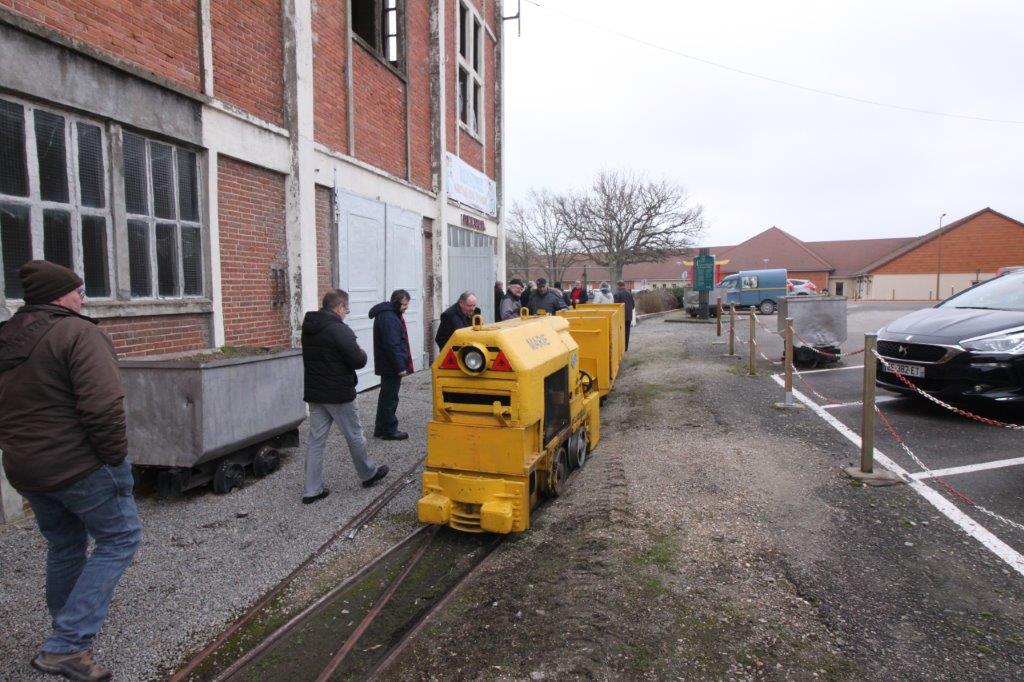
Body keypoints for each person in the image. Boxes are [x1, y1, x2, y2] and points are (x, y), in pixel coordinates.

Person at [0, 260, 141, 681]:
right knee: (121, 538)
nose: (83, 298)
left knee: (65, 546)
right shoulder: (79, 334)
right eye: (78, 291)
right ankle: (67, 644)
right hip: (80, 465)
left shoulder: (5, 338)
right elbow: (103, 406)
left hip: (27, 468)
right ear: (59, 296)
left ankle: (67, 629)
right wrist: (114, 458)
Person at [301, 289, 388, 504]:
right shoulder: (339, 329)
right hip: (339, 394)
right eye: (346, 309)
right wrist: (362, 351)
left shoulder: (309, 327)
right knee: (355, 435)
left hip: (316, 393)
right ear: (339, 307)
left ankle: (311, 490)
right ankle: (368, 474)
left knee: (316, 441)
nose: (346, 313)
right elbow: (358, 360)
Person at [370, 290, 413, 441]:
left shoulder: (388, 315)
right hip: (391, 365)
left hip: (387, 364)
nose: (406, 308)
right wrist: (400, 367)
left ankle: (381, 428)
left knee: (385, 396)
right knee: (390, 398)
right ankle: (389, 430)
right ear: (396, 302)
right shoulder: (389, 318)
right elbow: (392, 344)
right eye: (404, 305)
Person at [614, 280, 636, 351]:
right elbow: (633, 305)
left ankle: (621, 347)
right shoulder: (629, 293)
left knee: (620, 332)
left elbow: (615, 306)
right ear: (624, 285)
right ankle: (626, 347)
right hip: (629, 316)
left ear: (618, 285)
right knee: (627, 332)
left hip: (621, 316)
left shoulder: (617, 294)